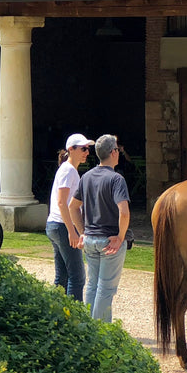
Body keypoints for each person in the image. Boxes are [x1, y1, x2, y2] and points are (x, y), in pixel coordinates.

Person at [69, 134, 130, 322]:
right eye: (118, 150)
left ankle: (89, 330)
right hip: (108, 240)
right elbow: (124, 212)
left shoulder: (86, 177)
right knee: (106, 289)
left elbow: (73, 206)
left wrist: (83, 232)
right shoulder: (116, 179)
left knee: (92, 286)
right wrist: (120, 237)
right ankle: (100, 333)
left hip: (90, 240)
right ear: (113, 153)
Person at [44, 133, 93, 300]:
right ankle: (75, 318)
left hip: (56, 225)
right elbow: (61, 203)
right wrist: (72, 231)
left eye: (87, 149)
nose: (87, 152)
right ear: (71, 149)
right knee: (77, 277)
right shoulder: (69, 171)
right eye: (83, 149)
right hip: (62, 226)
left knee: (63, 276)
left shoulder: (68, 170)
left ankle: (58, 314)